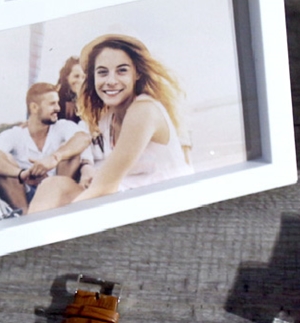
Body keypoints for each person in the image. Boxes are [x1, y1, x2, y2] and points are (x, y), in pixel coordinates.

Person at [29, 35, 194, 213]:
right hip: (133, 195)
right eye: (102, 72)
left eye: (121, 71)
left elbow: (105, 187)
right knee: (53, 186)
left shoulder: (144, 110)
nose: (111, 81)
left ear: (137, 73)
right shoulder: (108, 117)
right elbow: (83, 137)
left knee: (66, 203)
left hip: (168, 202)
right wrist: (65, 161)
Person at [0, 82, 92, 214]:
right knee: (3, 163)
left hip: (59, 192)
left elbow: (84, 138)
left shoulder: (62, 126)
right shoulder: (15, 134)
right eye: (52, 104)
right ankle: (26, 216)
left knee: (70, 149)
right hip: (25, 197)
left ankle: (57, 208)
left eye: (57, 103)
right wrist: (22, 174)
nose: (58, 108)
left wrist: (54, 158)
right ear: (34, 107)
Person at [56, 57, 85, 123]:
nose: (80, 81)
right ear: (67, 76)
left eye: (83, 77)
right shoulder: (56, 97)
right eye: (76, 76)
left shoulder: (88, 100)